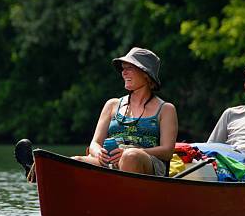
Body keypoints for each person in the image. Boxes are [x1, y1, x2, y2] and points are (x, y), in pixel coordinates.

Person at [73, 47, 178, 176]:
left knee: (130, 156)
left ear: (146, 74)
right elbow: (95, 143)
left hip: (147, 164)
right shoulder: (112, 105)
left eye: (129, 68)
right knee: (75, 161)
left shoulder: (166, 109)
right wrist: (99, 153)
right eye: (123, 68)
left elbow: (167, 151)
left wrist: (128, 152)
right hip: (110, 162)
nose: (124, 73)